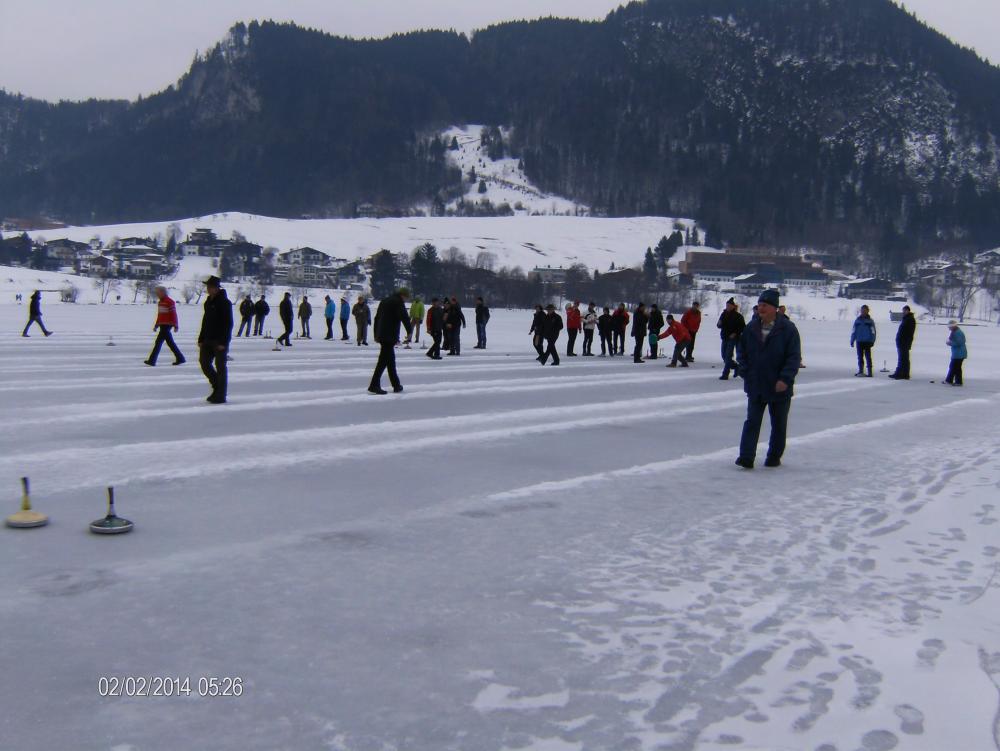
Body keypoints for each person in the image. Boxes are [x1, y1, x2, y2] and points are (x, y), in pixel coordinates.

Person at [735, 289, 801, 469]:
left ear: (774, 308)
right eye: (759, 305)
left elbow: (793, 357)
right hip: (756, 384)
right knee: (752, 422)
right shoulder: (751, 328)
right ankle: (746, 456)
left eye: (765, 305)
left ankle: (774, 456)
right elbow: (741, 352)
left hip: (779, 386)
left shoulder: (788, 329)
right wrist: (745, 371)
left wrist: (785, 379)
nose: (761, 308)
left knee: (778, 424)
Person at [369, 288, 413, 395]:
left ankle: (396, 385)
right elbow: (404, 317)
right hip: (390, 335)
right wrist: (409, 331)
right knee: (383, 361)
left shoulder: (384, 301)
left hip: (382, 334)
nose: (406, 300)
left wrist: (376, 334)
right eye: (406, 298)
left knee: (390, 360)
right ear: (403, 295)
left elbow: (377, 318)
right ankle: (374, 385)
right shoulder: (398, 302)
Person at [197, 276, 234, 404]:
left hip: (219, 341)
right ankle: (217, 388)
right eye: (207, 286)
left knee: (220, 367)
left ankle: (221, 395)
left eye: (210, 287)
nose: (208, 289)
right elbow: (205, 321)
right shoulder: (208, 302)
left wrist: (224, 342)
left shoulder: (225, 302)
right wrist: (201, 338)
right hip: (207, 339)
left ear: (217, 288)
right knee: (204, 363)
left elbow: (229, 324)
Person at [145, 285, 185, 366]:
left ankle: (152, 361)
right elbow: (160, 315)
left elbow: (174, 314)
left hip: (167, 325)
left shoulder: (170, 302)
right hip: (162, 325)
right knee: (169, 343)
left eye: (158, 293)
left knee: (159, 342)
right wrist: (156, 325)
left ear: (163, 292)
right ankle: (180, 358)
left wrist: (176, 325)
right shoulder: (160, 302)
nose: (157, 294)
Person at [717, 298, 746, 380]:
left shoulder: (738, 316)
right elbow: (719, 325)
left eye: (729, 305)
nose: (728, 307)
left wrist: (735, 333)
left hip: (733, 338)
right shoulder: (723, 314)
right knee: (724, 355)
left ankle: (725, 374)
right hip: (724, 337)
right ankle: (736, 367)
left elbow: (743, 327)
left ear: (733, 306)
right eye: (727, 305)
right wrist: (719, 324)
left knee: (728, 356)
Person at [889, 305, 916, 380]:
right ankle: (902, 373)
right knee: (903, 358)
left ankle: (902, 374)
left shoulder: (910, 319)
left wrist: (904, 340)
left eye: (905, 310)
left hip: (904, 342)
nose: (903, 312)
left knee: (903, 359)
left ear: (908, 311)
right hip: (902, 342)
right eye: (903, 310)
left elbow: (908, 332)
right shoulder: (906, 319)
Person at [850, 304, 877, 377]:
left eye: (865, 311)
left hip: (867, 342)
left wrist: (872, 340)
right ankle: (861, 371)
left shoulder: (870, 321)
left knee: (868, 357)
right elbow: (854, 331)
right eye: (862, 311)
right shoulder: (857, 320)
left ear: (867, 311)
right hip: (859, 341)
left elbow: (873, 332)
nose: (863, 312)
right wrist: (852, 340)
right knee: (860, 357)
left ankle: (870, 372)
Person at [944, 320, 967, 386]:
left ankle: (954, 381)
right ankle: (952, 381)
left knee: (954, 367)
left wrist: (950, 343)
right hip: (957, 353)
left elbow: (959, 343)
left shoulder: (958, 333)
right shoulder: (955, 332)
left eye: (949, 327)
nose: (949, 328)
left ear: (953, 326)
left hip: (959, 354)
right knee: (955, 367)